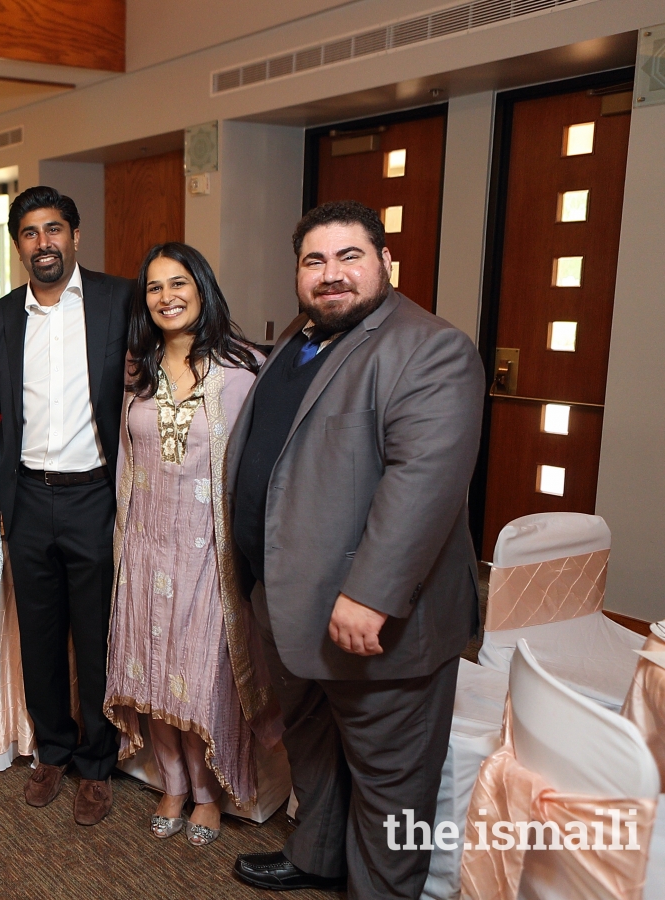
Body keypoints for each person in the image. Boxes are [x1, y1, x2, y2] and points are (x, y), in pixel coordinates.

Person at [227, 201, 483, 896]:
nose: (331, 274)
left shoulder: (429, 347)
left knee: (391, 781)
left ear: (385, 263)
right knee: (314, 748)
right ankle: (316, 856)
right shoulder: (300, 340)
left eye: (349, 257)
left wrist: (369, 595)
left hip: (370, 620)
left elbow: (423, 483)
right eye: (315, 260)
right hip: (285, 603)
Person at [103, 242, 279, 847]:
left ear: (202, 288)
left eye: (179, 283)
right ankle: (172, 784)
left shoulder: (244, 370)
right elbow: (125, 460)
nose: (166, 297)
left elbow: (263, 465)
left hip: (210, 551)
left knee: (203, 671)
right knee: (152, 669)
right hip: (146, 543)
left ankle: (208, 792)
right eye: (153, 287)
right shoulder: (138, 370)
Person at [0, 186, 133, 826]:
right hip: (27, 497)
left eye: (54, 230)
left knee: (95, 637)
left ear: (75, 236)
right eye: (29, 234)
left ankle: (97, 764)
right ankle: (53, 750)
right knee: (39, 638)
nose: (43, 243)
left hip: (94, 496)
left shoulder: (119, 299)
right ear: (17, 245)